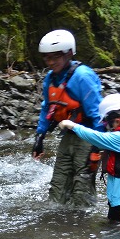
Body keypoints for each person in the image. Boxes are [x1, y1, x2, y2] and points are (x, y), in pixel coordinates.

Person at [31, 29, 103, 207]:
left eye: (56, 56)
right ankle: (59, 222)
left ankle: (82, 225)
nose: (51, 62)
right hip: (68, 134)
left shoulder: (82, 76)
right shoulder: (50, 78)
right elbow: (48, 108)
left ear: (69, 53)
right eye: (48, 58)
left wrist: (98, 147)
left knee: (82, 184)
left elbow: (97, 114)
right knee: (59, 183)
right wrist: (40, 137)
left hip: (88, 134)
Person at [57, 93, 120, 226]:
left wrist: (73, 126)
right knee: (114, 225)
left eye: (107, 122)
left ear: (117, 119)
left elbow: (97, 138)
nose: (106, 126)